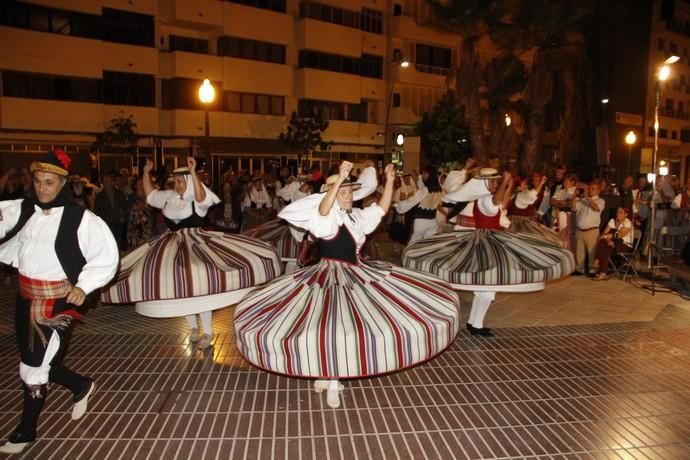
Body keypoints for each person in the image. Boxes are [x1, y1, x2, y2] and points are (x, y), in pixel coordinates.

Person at [234, 161, 460, 409]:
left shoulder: (355, 217)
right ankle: (330, 380)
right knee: (329, 327)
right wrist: (338, 181)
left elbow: (382, 209)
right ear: (333, 194)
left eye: (350, 191)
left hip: (357, 274)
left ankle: (329, 378)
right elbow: (322, 210)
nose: (348, 195)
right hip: (328, 277)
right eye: (343, 191)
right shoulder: (325, 219)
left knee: (343, 327)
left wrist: (389, 181)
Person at [0, 150, 119, 454]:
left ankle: (26, 431)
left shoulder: (81, 218)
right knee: (37, 362)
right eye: (38, 182)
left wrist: (84, 286)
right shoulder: (23, 210)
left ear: (63, 183)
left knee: (32, 369)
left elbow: (106, 255)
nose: (42, 188)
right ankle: (80, 385)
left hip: (57, 306)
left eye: (50, 183)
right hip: (25, 300)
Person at [101, 158, 281, 350]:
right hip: (172, 246)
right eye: (175, 182)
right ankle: (194, 328)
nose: (176, 185)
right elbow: (151, 195)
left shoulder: (197, 200)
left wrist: (194, 172)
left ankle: (208, 331)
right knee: (184, 290)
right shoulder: (170, 197)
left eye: (180, 182)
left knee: (200, 288)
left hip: (197, 246)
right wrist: (146, 173)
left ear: (188, 182)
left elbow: (202, 196)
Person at [403, 168, 574, 337]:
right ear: (483, 184)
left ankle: (475, 323)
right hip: (486, 242)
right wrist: (505, 183)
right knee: (487, 289)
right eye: (492, 182)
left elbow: (501, 204)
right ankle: (475, 324)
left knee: (487, 290)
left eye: (495, 182)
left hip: (492, 241)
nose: (494, 184)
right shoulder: (485, 200)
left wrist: (508, 185)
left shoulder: (488, 199)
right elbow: (495, 203)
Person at [572, 180, 605, 276]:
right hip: (579, 230)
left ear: (598, 191)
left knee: (592, 252)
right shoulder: (581, 201)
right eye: (590, 188)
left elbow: (596, 208)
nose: (590, 190)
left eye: (593, 188)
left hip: (591, 230)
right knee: (579, 251)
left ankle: (592, 270)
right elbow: (573, 207)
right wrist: (575, 194)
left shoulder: (600, 201)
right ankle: (579, 269)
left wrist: (587, 198)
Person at [592, 207, 633, 281]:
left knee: (605, 245)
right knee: (604, 244)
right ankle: (602, 272)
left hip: (625, 245)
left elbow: (620, 235)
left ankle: (598, 263)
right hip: (612, 243)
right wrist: (608, 240)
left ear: (626, 214)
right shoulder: (612, 220)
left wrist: (606, 237)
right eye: (617, 212)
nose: (618, 214)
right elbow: (604, 232)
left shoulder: (627, 223)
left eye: (620, 212)